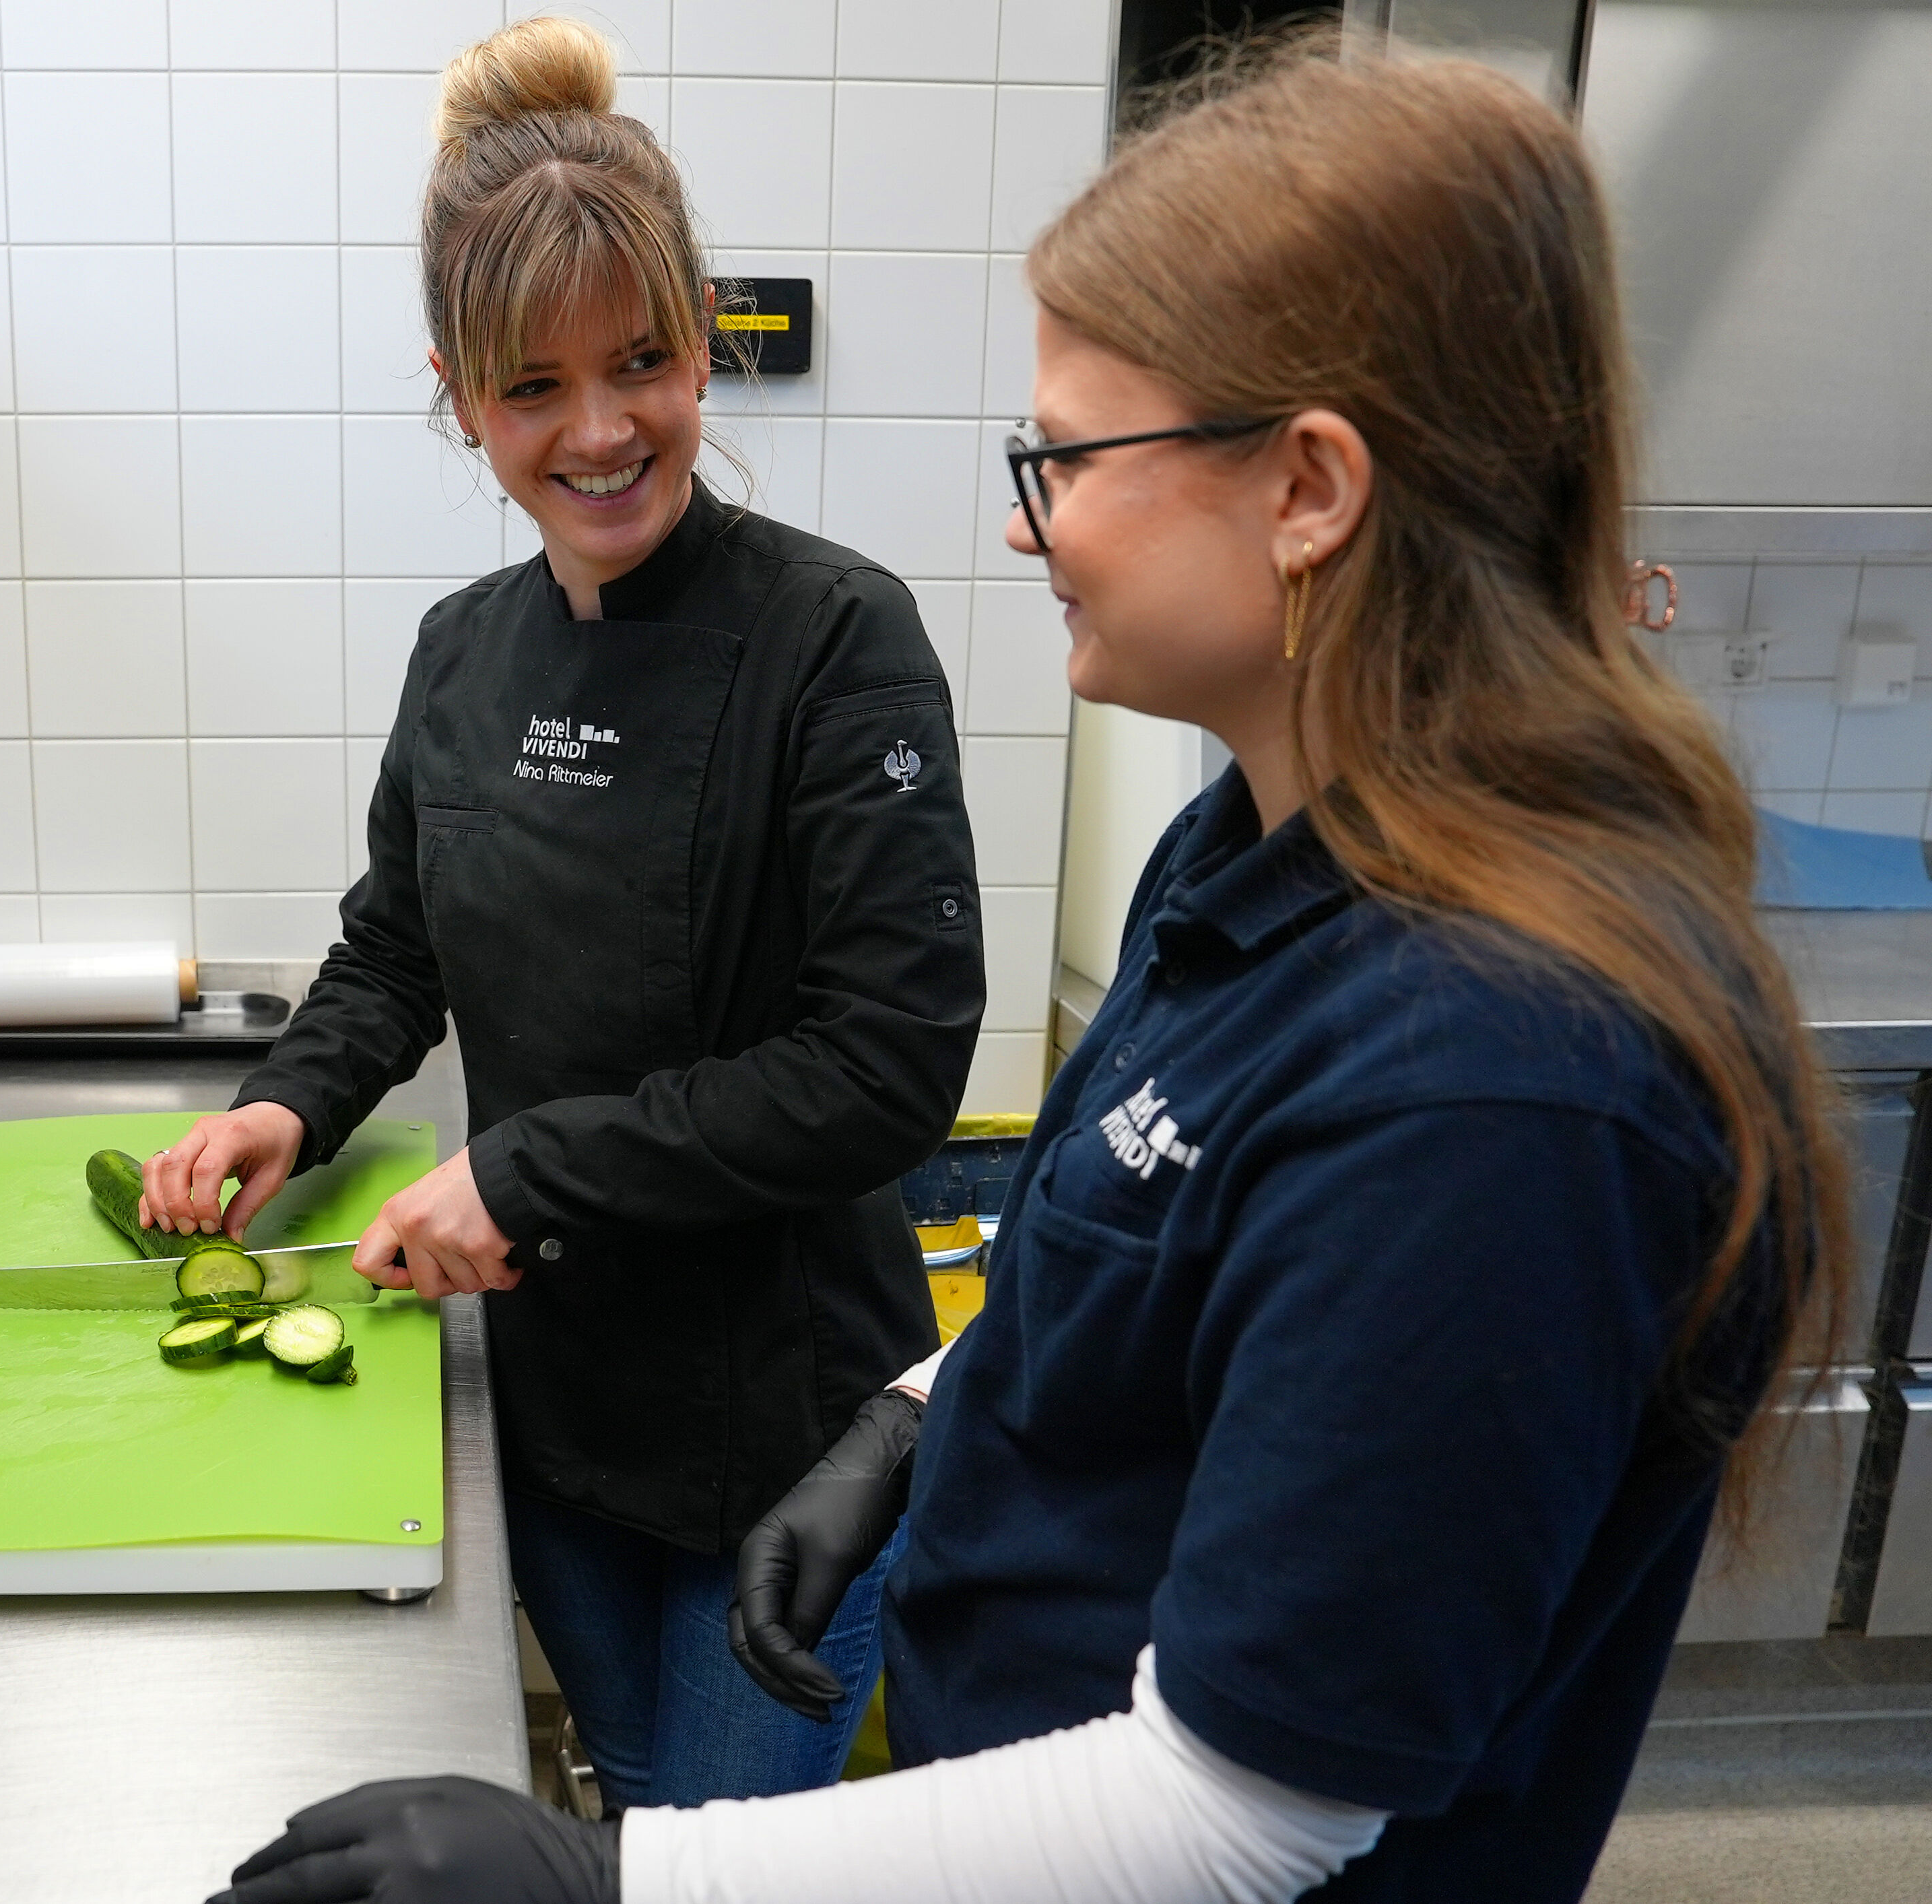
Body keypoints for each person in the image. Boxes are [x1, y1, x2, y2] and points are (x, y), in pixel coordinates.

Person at [207, 35, 1851, 1904]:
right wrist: (923, 1418)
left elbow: (1248, 1813)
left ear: (1308, 487)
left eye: (1061, 456)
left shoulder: (1494, 1083)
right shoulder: (1238, 866)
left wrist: (624, 1885)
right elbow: (1125, 1277)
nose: (1020, 516)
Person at [137, 16, 986, 1813]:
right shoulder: (461, 653)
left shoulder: (837, 640)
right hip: (548, 1400)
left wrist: (524, 1169)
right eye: (534, 386)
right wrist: (290, 1104)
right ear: (460, 395)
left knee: (719, 1854)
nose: (601, 433)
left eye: (644, 361)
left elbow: (887, 1068)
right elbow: (398, 946)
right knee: (629, 1789)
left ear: (703, 340)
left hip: (788, 1433)